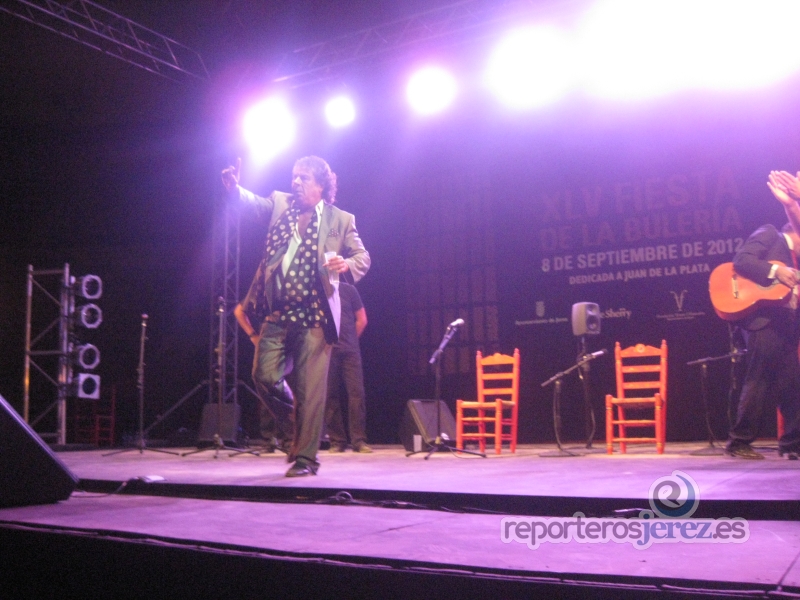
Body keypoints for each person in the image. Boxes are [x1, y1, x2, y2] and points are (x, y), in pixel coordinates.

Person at [224, 156, 370, 476]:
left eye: (304, 178)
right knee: (263, 376)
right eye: (294, 176)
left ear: (321, 185)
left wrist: (347, 264)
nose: (296, 182)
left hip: (316, 315)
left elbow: (363, 256)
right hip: (278, 312)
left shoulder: (341, 219)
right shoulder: (280, 203)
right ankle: (294, 420)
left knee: (311, 392)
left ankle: (306, 458)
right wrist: (236, 190)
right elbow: (256, 205)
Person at [724, 174, 800, 460]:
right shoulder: (771, 234)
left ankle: (793, 444)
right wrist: (775, 271)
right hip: (762, 320)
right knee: (759, 378)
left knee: (792, 384)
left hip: (786, 325)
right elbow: (741, 261)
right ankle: (738, 442)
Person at [325, 281, 370, 453]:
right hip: (327, 350)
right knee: (330, 395)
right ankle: (337, 441)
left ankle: (359, 440)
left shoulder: (349, 290)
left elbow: (362, 320)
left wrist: (350, 339)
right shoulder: (319, 290)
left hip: (350, 351)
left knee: (356, 393)